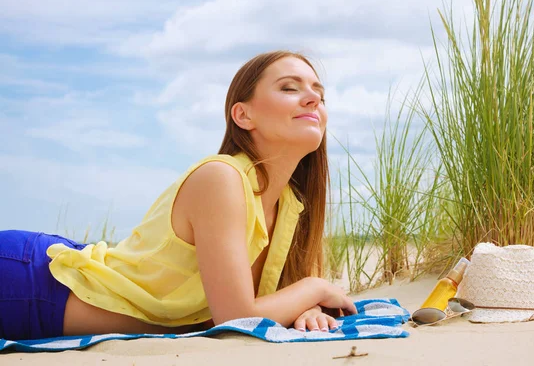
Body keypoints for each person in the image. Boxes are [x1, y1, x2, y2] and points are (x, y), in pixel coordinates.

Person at [0, 50, 358, 341]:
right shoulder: (222, 177)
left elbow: (274, 302)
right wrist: (314, 289)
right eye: (290, 88)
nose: (313, 99)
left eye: (320, 94)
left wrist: (307, 308)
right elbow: (236, 318)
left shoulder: (292, 206)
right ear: (243, 115)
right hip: (30, 283)